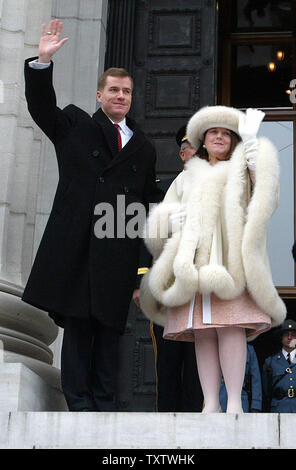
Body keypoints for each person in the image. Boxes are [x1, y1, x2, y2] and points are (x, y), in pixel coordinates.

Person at [21, 19, 160, 412]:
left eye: (127, 91)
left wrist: (141, 270)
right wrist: (43, 62)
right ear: (99, 94)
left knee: (111, 331)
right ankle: (79, 406)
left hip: (118, 249)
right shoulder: (76, 126)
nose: (121, 96)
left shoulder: (144, 148)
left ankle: (105, 406)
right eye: (114, 90)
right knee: (80, 329)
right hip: (79, 247)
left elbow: (145, 205)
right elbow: (42, 108)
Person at [140, 105, 286, 414]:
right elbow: (160, 221)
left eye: (226, 133)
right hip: (193, 266)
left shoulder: (242, 169)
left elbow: (266, 195)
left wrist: (252, 145)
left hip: (232, 266)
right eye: (213, 133)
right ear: (203, 141)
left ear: (233, 140)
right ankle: (210, 405)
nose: (219, 137)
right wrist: (170, 219)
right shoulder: (187, 177)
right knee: (202, 332)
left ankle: (232, 401)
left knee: (230, 327)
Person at [148, 127, 203, 412]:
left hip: (201, 288)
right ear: (183, 154)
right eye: (192, 148)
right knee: (167, 359)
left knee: (198, 360)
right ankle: (165, 418)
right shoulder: (161, 189)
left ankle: (196, 419)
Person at [262, 319, 296, 412]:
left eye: (293, 335)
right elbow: (266, 391)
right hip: (279, 409)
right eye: (286, 334)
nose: (289, 337)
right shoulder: (270, 362)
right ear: (281, 337)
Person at [219, 344, 262, 412]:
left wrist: (256, 405)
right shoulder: (216, 346)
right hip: (219, 396)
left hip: (241, 397)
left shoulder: (248, 349)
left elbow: (255, 379)